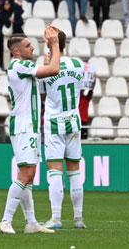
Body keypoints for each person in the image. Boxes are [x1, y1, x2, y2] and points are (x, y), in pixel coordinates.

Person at [0, 27, 61, 235]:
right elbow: (53, 70)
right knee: (27, 173)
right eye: (27, 45)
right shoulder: (20, 65)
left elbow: (41, 88)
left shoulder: (23, 67)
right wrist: (55, 44)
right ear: (17, 51)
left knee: (27, 175)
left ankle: (31, 222)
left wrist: (48, 55)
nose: (32, 47)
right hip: (25, 125)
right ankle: (5, 221)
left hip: (29, 125)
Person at [39, 30, 86, 230]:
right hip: (73, 122)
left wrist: (46, 63)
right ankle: (78, 219)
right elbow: (80, 90)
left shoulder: (45, 69)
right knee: (75, 172)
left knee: (55, 172)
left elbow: (42, 97)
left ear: (49, 44)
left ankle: (56, 217)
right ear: (64, 44)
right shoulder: (78, 65)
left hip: (54, 124)